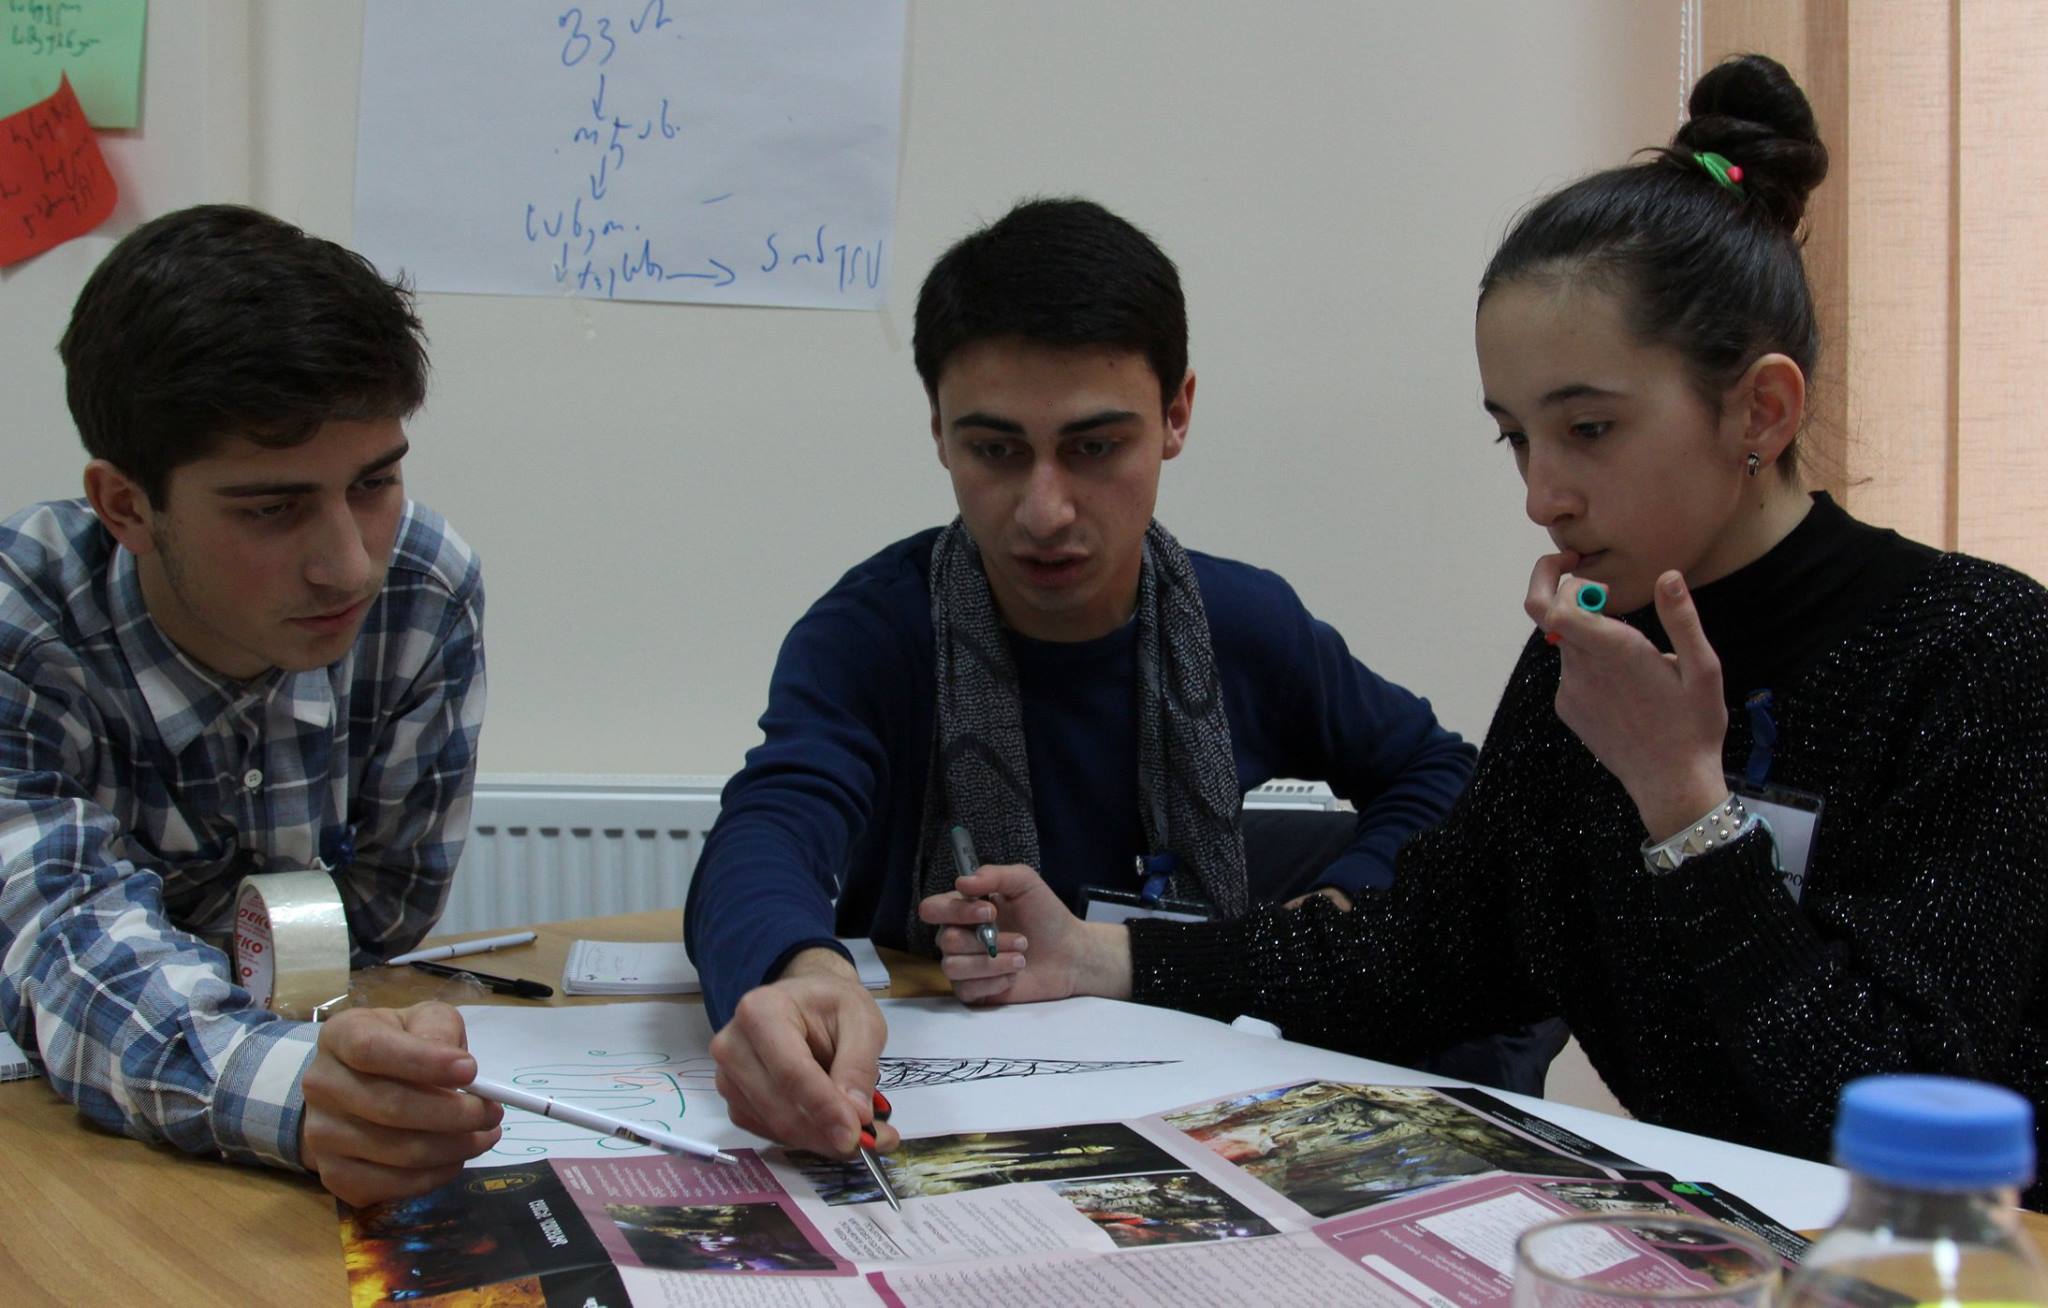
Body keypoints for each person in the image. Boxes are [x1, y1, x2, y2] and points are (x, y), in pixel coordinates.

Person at [921, 56, 2048, 1207]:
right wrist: (1097, 955)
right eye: (1514, 437)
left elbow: (1893, 1105)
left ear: (1759, 409)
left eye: (1588, 429)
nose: (1540, 496)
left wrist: (1683, 807)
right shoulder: (1598, 648)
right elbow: (1429, 953)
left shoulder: (1976, 651)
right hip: (1717, 1234)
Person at [690, 197, 1481, 1159]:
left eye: (1095, 447)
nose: (1045, 511)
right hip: (936, 1114)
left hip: (1202, 1104)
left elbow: (1439, 771)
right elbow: (771, 823)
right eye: (995, 450)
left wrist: (1326, 920)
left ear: (1176, 415)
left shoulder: (1242, 624)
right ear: (938, 430)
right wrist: (800, 971)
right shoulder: (875, 633)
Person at [0, 205, 501, 1207]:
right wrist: (295, 1091)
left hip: (246, 1113)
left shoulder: (423, 588)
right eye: (273, 508)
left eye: (374, 482)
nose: (348, 565)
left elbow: (385, 914)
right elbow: (61, 943)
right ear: (126, 505)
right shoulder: (23, 619)